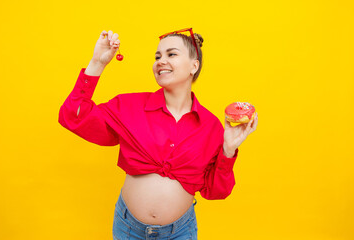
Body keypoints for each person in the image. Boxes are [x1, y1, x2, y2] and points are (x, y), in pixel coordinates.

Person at [58, 28, 258, 240]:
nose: (161, 61)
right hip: (128, 229)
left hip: (180, 232)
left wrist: (228, 150)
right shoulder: (128, 106)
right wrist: (97, 63)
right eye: (157, 56)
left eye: (171, 54)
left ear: (194, 65)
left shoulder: (211, 127)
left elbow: (216, 191)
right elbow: (73, 117)